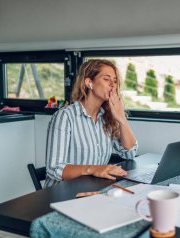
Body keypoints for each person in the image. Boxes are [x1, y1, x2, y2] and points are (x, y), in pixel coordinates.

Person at [44, 59, 138, 187]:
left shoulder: (107, 117)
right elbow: (54, 168)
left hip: (93, 189)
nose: (113, 85)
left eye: (115, 81)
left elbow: (129, 153)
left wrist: (121, 118)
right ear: (89, 83)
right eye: (106, 79)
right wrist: (93, 169)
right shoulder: (65, 116)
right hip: (63, 193)